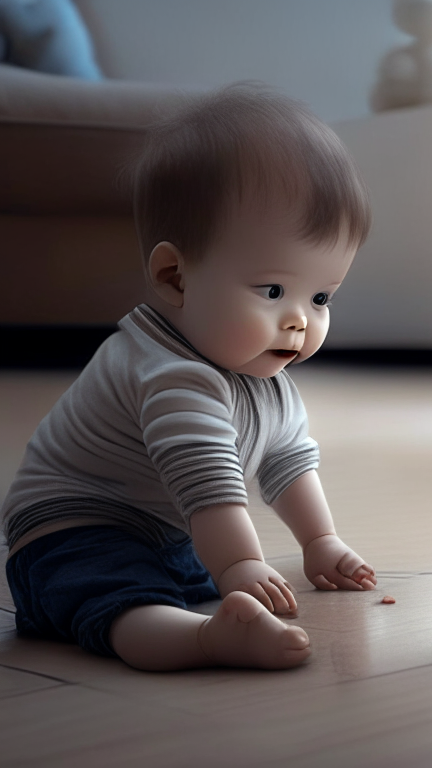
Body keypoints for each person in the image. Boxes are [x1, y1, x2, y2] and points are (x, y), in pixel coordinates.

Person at [2, 83, 376, 671]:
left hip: (167, 534)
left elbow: (288, 462)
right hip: (72, 533)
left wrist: (319, 542)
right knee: (121, 599)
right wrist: (238, 567)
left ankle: (197, 606)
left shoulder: (267, 380)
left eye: (322, 295)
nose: (300, 319)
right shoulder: (168, 373)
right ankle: (200, 641)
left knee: (191, 572)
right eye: (273, 290)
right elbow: (208, 484)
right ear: (175, 277)